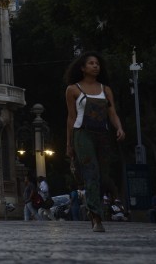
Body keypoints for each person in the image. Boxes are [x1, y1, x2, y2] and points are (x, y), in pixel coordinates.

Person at [65, 52, 125, 233]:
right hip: (82, 134)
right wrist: (68, 144)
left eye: (97, 63)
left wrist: (119, 128)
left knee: (103, 176)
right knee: (91, 173)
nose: (95, 66)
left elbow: (112, 112)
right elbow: (71, 117)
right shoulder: (73, 89)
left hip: (102, 134)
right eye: (91, 63)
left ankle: (97, 209)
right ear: (83, 68)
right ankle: (96, 217)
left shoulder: (105, 90)